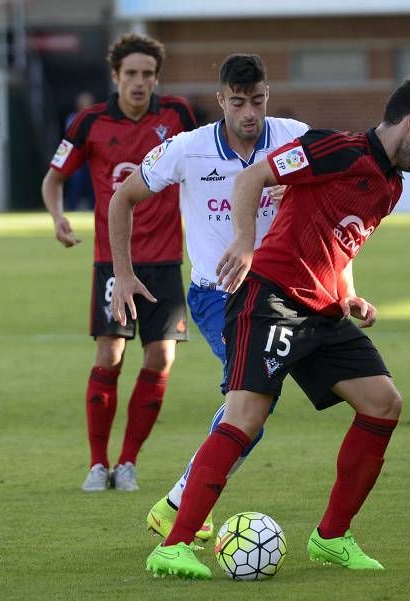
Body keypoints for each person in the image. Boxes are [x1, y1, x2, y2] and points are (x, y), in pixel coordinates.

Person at [141, 78, 410, 579]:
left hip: (323, 312)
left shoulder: (390, 185)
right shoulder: (336, 148)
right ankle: (175, 544)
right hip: (269, 299)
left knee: (383, 403)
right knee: (245, 416)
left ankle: (331, 538)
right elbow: (253, 179)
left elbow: (337, 244)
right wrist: (246, 242)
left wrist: (348, 293)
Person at [108, 54, 309, 541]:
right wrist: (124, 273)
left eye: (257, 101)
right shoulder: (187, 149)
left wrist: (301, 196)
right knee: (251, 403)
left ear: (268, 97)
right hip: (219, 296)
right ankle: (180, 504)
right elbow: (122, 199)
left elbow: (332, 202)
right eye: (237, 102)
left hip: (283, 295)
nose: (249, 113)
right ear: (220, 100)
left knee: (253, 410)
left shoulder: (295, 138)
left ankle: (181, 503)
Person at [41, 33, 197, 493]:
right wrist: (57, 218)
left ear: (156, 78)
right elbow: (53, 179)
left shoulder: (178, 115)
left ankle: (127, 463)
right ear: (115, 76)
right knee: (110, 353)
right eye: (130, 73)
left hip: (165, 260)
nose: (139, 82)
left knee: (161, 356)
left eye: (148, 74)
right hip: (113, 261)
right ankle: (96, 463)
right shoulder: (89, 122)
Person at [64, 92, 97, 211]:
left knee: (93, 182)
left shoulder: (96, 119)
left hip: (91, 157)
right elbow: (70, 138)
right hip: (77, 157)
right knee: (75, 182)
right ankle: (72, 207)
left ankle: (95, 207)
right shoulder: (72, 118)